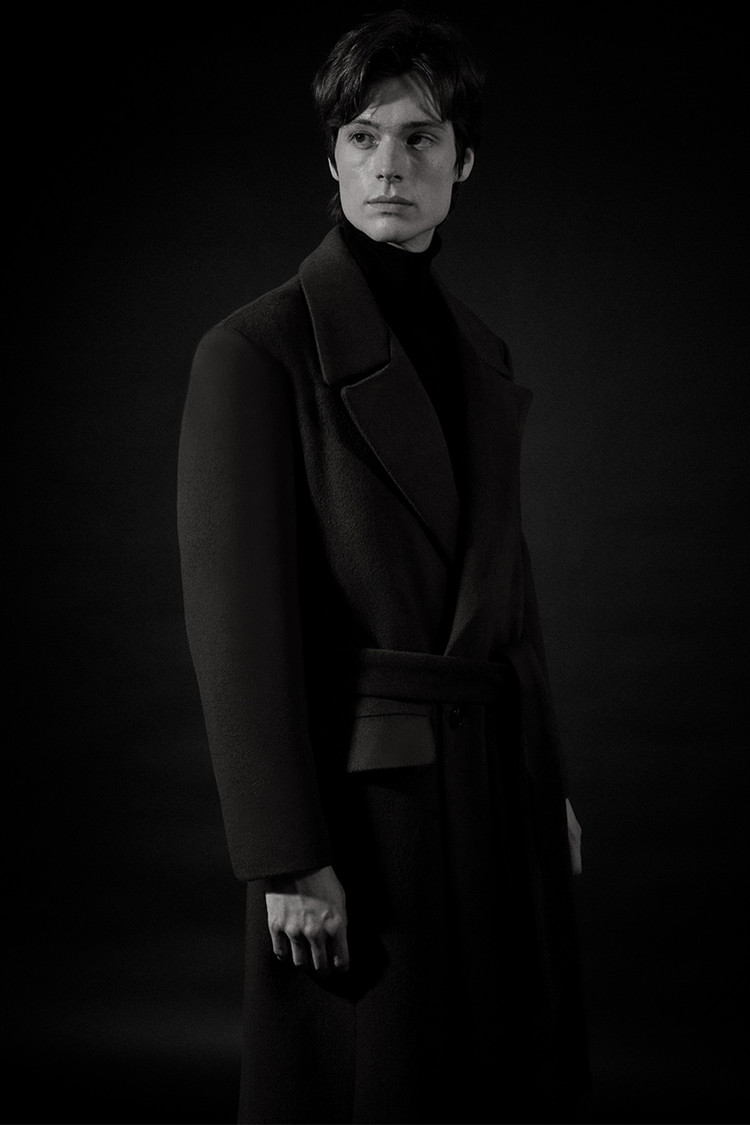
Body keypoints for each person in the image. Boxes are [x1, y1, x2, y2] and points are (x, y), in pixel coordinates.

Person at [177, 9, 589, 1123]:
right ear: (332, 158)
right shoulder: (255, 350)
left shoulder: (481, 350)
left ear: (464, 161)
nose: (389, 166)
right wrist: (284, 857)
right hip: (362, 810)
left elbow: (508, 593)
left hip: (490, 789)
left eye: (419, 138)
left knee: (488, 1085)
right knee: (370, 1088)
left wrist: (545, 782)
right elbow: (236, 628)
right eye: (362, 137)